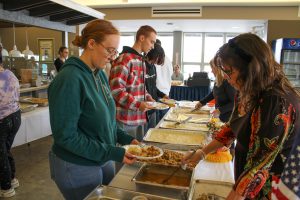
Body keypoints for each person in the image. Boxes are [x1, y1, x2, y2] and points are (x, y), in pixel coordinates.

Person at [182, 33, 300, 199]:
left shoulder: (276, 101)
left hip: (272, 186)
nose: (228, 79)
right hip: (247, 175)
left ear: (251, 68)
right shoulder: (248, 89)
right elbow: (232, 128)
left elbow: (258, 168)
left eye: (230, 72)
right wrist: (202, 153)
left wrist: (235, 196)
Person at [48, 19, 138, 200]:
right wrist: (113, 152)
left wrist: (127, 139)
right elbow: (66, 136)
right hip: (76, 164)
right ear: (91, 44)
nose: (113, 57)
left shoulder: (99, 74)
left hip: (102, 158)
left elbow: (107, 121)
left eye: (115, 51)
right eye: (110, 50)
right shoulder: (70, 79)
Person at [109, 25, 156, 141]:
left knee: (137, 155)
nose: (153, 46)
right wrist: (138, 104)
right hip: (125, 119)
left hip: (139, 118)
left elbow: (139, 88)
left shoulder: (141, 60)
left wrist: (148, 97)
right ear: (142, 38)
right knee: (125, 156)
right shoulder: (124, 59)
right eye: (151, 42)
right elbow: (116, 90)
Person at [0, 44, 21, 198]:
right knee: (5, 150)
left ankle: (6, 188)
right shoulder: (10, 74)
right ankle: (12, 179)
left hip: (2, 120)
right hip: (15, 116)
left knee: (1, 154)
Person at [195, 56, 236, 122]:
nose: (211, 71)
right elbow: (213, 93)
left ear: (217, 68)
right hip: (221, 116)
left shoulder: (227, 82)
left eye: (212, 68)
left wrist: (220, 110)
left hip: (228, 118)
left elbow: (234, 102)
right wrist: (202, 102)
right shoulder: (218, 79)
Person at [144, 41, 168, 131]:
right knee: (144, 136)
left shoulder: (153, 67)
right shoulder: (142, 66)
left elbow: (153, 87)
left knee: (152, 132)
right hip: (145, 108)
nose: (158, 62)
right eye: (159, 58)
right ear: (156, 56)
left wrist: (163, 95)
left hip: (154, 106)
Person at [155, 39, 173, 121]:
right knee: (164, 120)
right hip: (166, 92)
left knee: (158, 122)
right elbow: (171, 74)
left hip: (157, 93)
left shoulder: (155, 59)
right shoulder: (168, 59)